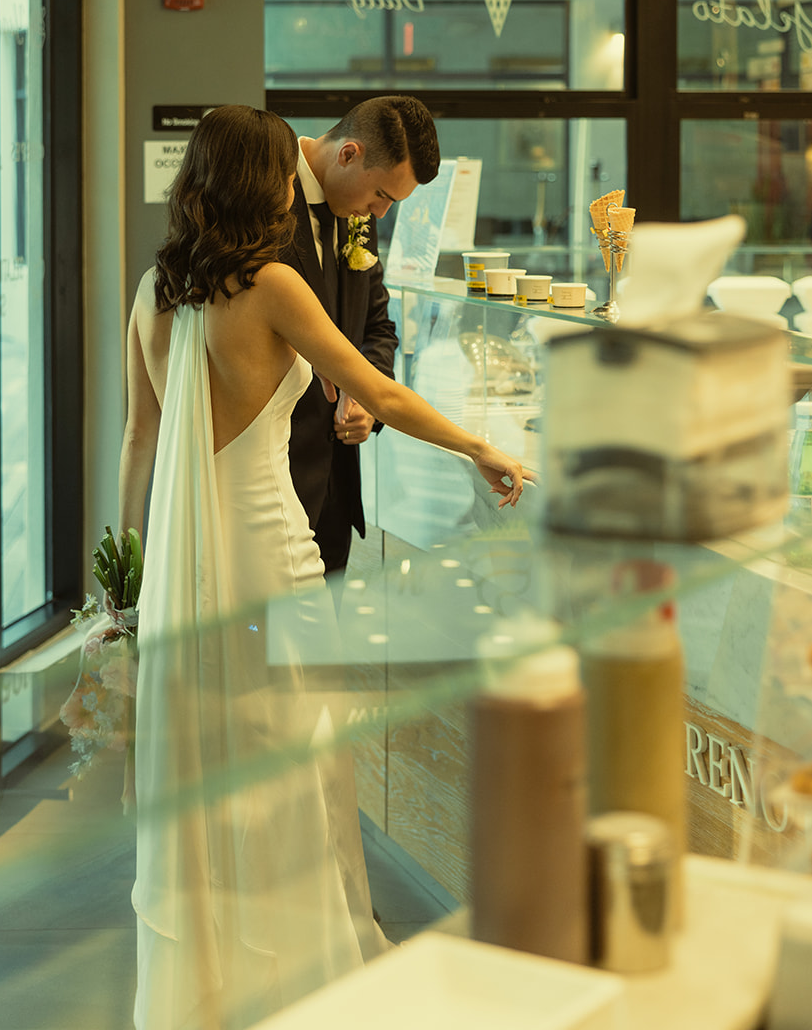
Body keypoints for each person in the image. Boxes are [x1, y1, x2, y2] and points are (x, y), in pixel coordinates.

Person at [118, 105, 527, 1030]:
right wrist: (477, 446)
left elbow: (137, 443)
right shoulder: (271, 285)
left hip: (183, 562)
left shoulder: (155, 292)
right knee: (289, 753)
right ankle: (294, 967)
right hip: (267, 547)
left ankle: (209, 981)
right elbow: (376, 390)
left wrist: (125, 574)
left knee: (202, 755)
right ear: (255, 180)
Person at [284, 96, 439, 574]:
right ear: (348, 153)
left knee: (324, 643)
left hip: (336, 483)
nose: (380, 214)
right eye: (382, 197)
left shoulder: (359, 216)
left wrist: (366, 397)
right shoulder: (264, 197)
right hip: (275, 477)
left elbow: (378, 326)